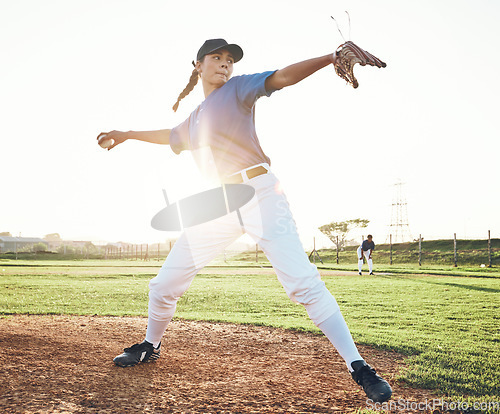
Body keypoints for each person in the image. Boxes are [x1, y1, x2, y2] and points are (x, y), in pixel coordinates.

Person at [98, 38, 392, 403]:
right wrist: (127, 134)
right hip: (218, 203)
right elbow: (171, 136)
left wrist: (331, 57)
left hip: (262, 195)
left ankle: (358, 367)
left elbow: (281, 78)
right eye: (216, 58)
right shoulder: (197, 116)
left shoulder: (238, 89)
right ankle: (150, 345)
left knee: (303, 284)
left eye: (229, 60)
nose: (224, 64)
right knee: (162, 285)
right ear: (198, 65)